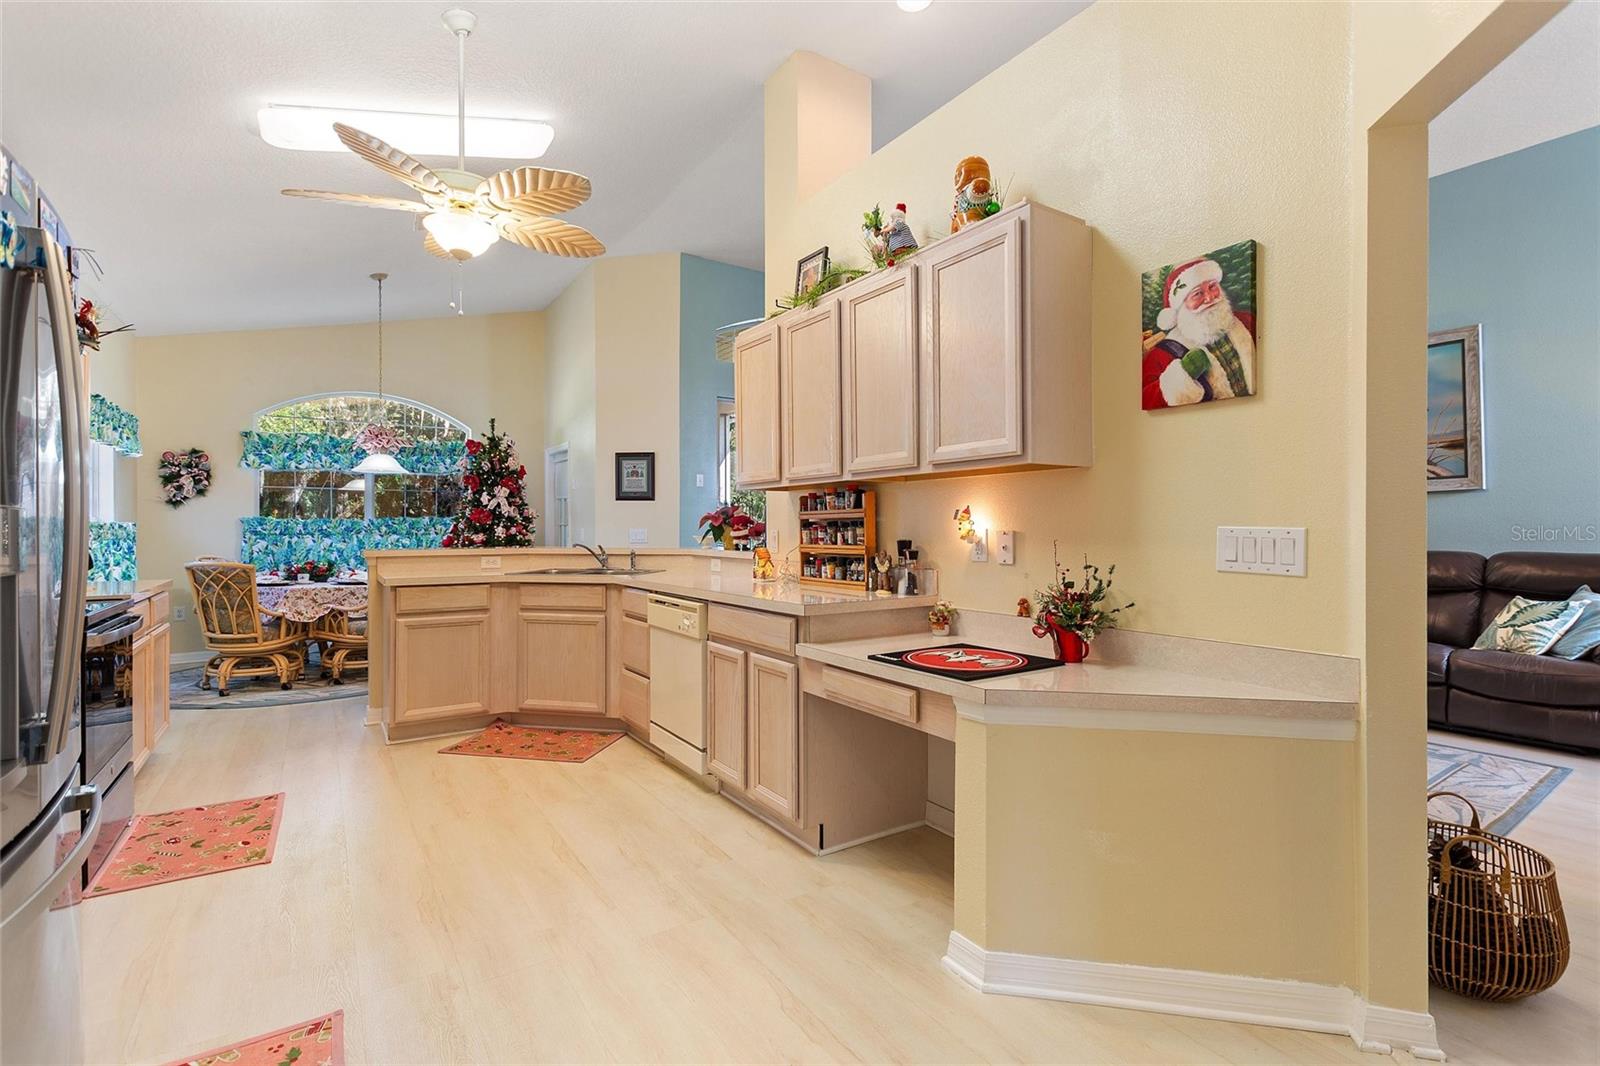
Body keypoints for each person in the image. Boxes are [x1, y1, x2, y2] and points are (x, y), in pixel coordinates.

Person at [1141, 257, 1255, 409]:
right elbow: (1144, 400)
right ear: (1181, 305)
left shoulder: (1246, 321)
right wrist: (1182, 376)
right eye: (1197, 293)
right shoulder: (1163, 353)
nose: (1209, 298)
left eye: (1212, 287)